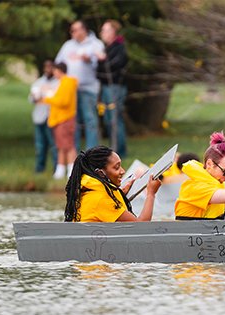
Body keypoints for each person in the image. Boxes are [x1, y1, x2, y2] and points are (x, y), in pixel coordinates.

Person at [64, 145, 161, 222]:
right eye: (116, 167)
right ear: (100, 173)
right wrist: (151, 194)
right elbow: (141, 227)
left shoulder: (90, 191)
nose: (123, 171)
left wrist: (121, 194)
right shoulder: (101, 199)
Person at [55, 20, 104, 151]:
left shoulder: (95, 44)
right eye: (71, 30)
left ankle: (92, 154)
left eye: (75, 30)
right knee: (72, 122)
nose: (72, 33)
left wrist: (88, 59)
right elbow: (58, 64)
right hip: (71, 90)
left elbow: (101, 64)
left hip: (88, 88)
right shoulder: (68, 45)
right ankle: (74, 154)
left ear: (84, 30)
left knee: (90, 121)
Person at [97, 19, 128, 158]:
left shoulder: (119, 48)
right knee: (109, 120)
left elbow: (113, 67)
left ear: (113, 32)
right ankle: (114, 151)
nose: (102, 33)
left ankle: (119, 151)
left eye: (105, 30)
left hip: (115, 88)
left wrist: (103, 60)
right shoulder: (107, 48)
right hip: (106, 87)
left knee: (115, 119)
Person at [42, 62, 77, 179]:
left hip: (65, 118)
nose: (53, 73)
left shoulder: (68, 82)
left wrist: (47, 99)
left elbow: (64, 101)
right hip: (59, 119)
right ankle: (60, 169)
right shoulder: (61, 83)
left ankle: (72, 169)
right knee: (61, 145)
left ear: (59, 70)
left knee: (68, 145)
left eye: (55, 70)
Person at [29, 60, 59, 173]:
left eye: (50, 67)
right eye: (46, 67)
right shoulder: (38, 82)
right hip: (39, 116)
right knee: (40, 145)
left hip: (52, 117)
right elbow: (31, 98)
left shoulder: (58, 82)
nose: (48, 70)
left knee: (53, 144)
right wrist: (35, 96)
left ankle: (56, 168)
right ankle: (39, 169)